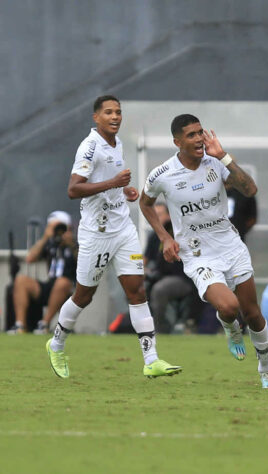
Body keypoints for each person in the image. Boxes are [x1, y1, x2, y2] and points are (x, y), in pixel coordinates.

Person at [45, 95, 181, 380]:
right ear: (96, 117)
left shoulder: (117, 144)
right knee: (84, 295)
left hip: (123, 229)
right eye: (109, 112)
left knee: (137, 290)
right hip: (97, 234)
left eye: (118, 112)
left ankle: (151, 359)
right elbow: (74, 188)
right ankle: (56, 343)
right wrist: (114, 183)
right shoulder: (90, 146)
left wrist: (124, 191)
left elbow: (109, 183)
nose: (115, 117)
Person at [140, 113, 268, 389]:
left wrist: (224, 155)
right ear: (177, 141)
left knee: (252, 313)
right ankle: (229, 327)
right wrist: (165, 237)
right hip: (197, 253)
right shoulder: (162, 174)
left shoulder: (216, 162)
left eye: (200, 132)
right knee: (229, 307)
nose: (199, 139)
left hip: (230, 245)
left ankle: (266, 367)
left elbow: (250, 189)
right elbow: (145, 203)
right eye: (191, 135)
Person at [7, 211, 76, 334]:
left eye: (60, 228)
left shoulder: (75, 244)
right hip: (49, 286)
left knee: (62, 282)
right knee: (21, 280)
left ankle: (44, 324)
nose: (58, 232)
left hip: (68, 290)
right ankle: (20, 326)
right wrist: (45, 237)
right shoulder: (50, 244)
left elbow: (84, 261)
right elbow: (30, 259)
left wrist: (71, 244)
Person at [143, 203, 203, 333]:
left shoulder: (182, 233)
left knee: (160, 289)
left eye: (160, 215)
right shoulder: (155, 236)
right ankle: (142, 326)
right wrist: (139, 271)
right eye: (154, 215)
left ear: (169, 216)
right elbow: (145, 259)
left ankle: (160, 329)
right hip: (159, 276)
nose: (156, 219)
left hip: (183, 278)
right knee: (137, 286)